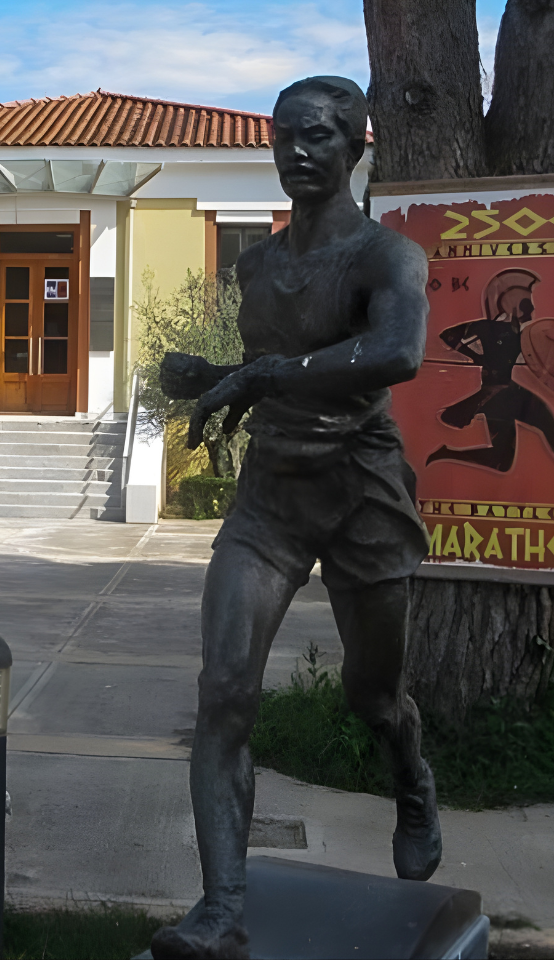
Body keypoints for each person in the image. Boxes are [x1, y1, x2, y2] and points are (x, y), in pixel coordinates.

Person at [150, 76, 442, 959]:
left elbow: (395, 352)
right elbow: (268, 365)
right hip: (271, 500)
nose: (297, 153)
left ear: (358, 146)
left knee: (372, 695)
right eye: (284, 138)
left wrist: (269, 376)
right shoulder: (258, 265)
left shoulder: (389, 259)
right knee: (224, 696)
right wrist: (214, 379)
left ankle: (412, 773)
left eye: (318, 137)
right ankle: (221, 908)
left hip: (362, 495)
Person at [426, 268, 554, 471]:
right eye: (526, 304)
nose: (531, 309)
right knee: (546, 423)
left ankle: (446, 452)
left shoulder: (516, 332)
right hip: (498, 393)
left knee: (501, 461)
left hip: (507, 392)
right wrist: (475, 355)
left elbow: (532, 356)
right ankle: (446, 452)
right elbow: (449, 335)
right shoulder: (488, 328)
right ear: (513, 304)